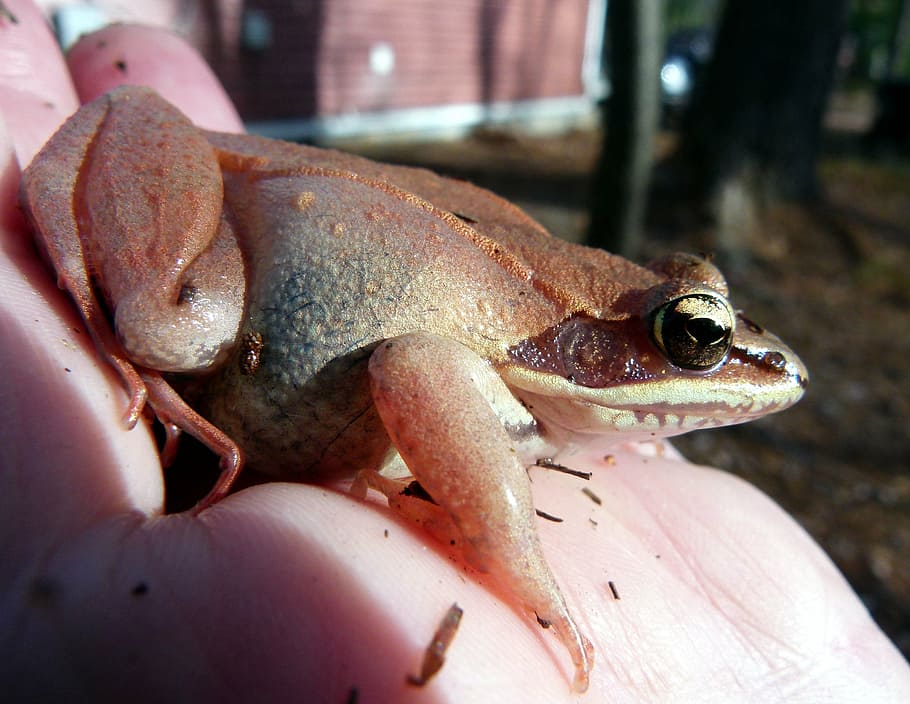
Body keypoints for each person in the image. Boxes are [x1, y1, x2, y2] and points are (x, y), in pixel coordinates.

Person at [2, 2, 908, 700]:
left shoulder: (551, 374)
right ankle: (108, 290)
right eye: (697, 337)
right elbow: (419, 368)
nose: (753, 366)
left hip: (326, 211)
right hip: (247, 215)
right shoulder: (515, 373)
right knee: (173, 323)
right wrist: (503, 538)